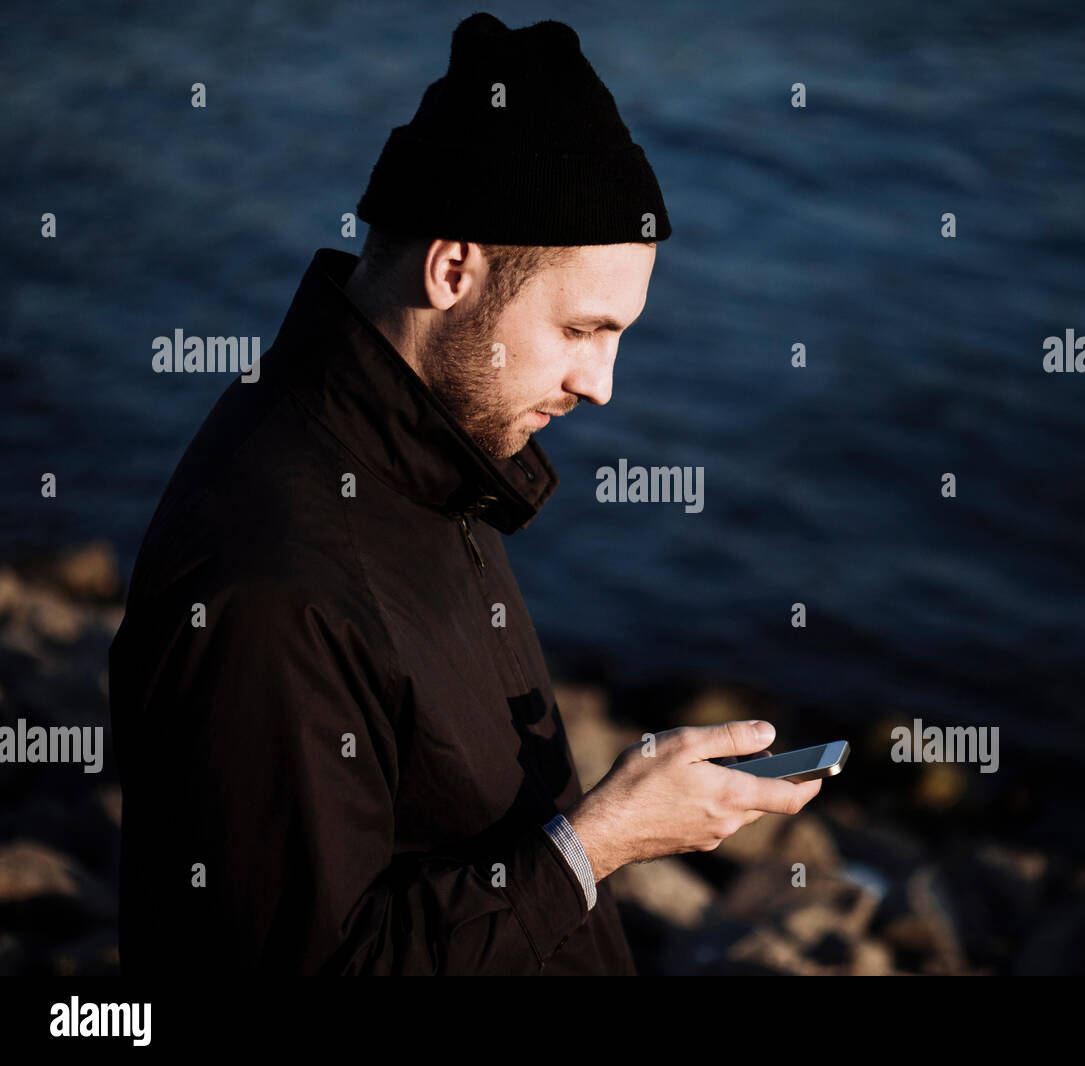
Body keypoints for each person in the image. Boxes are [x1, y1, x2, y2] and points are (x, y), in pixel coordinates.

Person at [109, 11, 820, 976]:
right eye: (581, 331)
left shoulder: (436, 458)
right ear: (453, 269)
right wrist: (596, 843)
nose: (603, 384)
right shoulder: (271, 586)